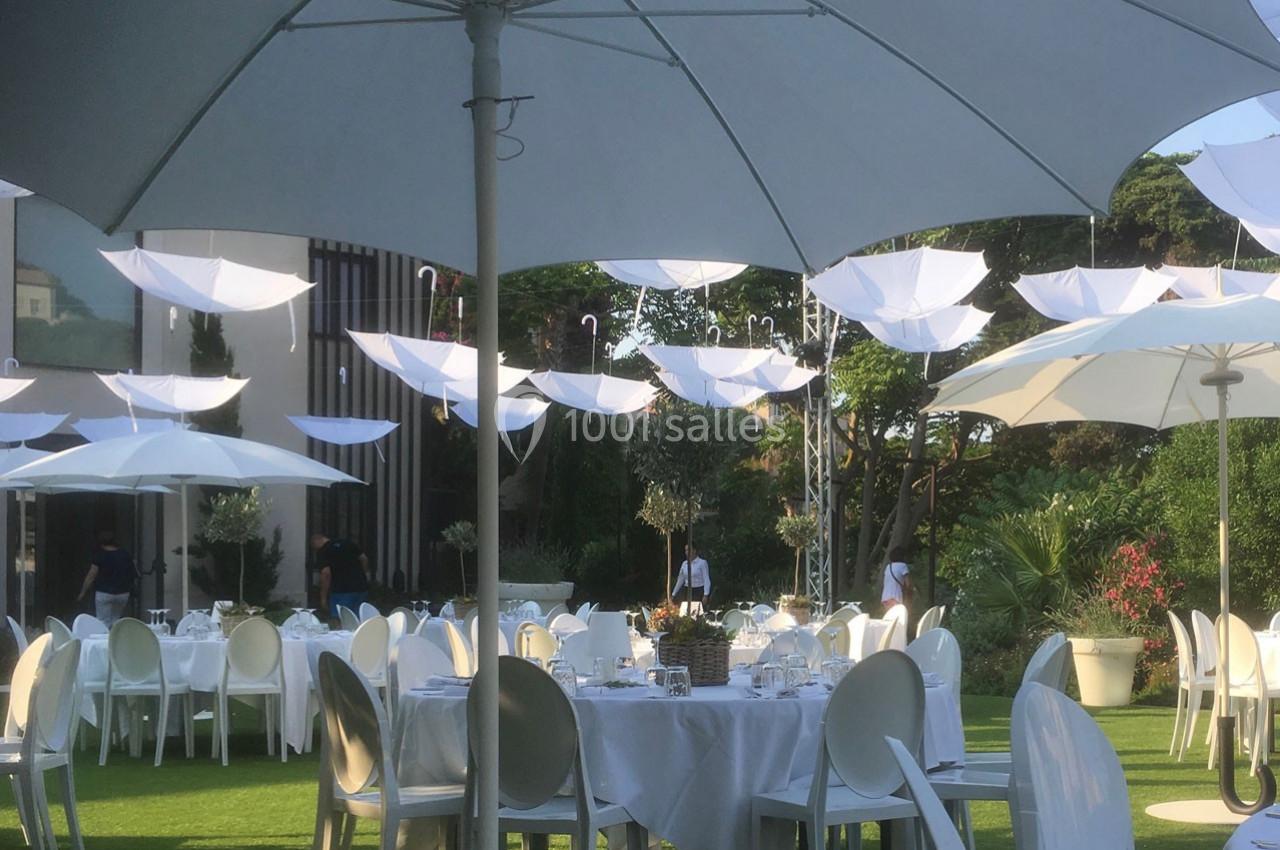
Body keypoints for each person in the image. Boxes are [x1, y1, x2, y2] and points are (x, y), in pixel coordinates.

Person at [77, 530, 136, 628]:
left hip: (104, 592)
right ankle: (115, 639)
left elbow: (91, 576)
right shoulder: (125, 554)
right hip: (122, 593)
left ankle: (104, 642)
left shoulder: (100, 555)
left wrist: (82, 592)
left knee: (102, 622)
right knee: (116, 620)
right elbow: (132, 573)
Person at [312, 532, 370, 618]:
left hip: (341, 590)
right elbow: (364, 558)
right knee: (359, 618)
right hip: (361, 587)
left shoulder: (323, 551)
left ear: (316, 542)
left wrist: (323, 598)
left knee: (342, 619)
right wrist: (362, 573)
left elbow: (326, 573)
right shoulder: (348, 543)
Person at [670, 544, 711, 615]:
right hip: (687, 591)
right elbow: (680, 580)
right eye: (685, 550)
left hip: (698, 591)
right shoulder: (684, 564)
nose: (687, 552)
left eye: (689, 550)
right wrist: (673, 594)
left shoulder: (702, 563)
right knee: (687, 612)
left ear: (694, 551)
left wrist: (706, 594)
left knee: (698, 613)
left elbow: (706, 579)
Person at [881, 546, 912, 614]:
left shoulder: (888, 566)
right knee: (897, 619)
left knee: (889, 618)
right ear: (902, 556)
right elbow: (908, 584)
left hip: (885, 597)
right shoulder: (903, 566)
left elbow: (885, 582)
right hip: (895, 597)